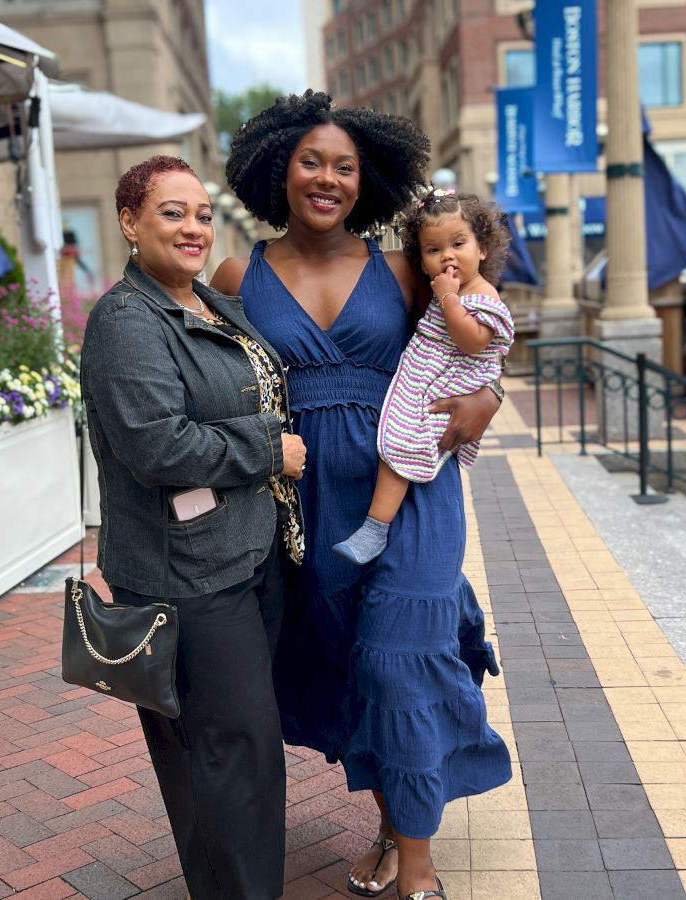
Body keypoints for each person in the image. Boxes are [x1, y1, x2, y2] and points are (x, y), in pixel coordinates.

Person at [212, 91, 511, 900]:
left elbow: (475, 354)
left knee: (398, 659)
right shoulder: (238, 273)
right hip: (307, 505)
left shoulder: (405, 269)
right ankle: (394, 820)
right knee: (354, 667)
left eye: (346, 166)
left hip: (410, 488)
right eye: (312, 160)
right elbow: (216, 383)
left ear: (368, 178)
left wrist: (486, 406)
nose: (328, 178)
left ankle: (418, 868)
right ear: (278, 168)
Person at [80, 154, 306, 900]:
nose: (194, 227)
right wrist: (270, 447)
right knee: (230, 756)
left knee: (233, 750)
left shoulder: (210, 302)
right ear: (129, 223)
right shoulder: (125, 320)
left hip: (247, 554)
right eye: (172, 213)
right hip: (187, 575)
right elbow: (157, 446)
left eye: (202, 213)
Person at [333, 189, 515, 565]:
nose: (447, 256)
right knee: (396, 444)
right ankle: (376, 527)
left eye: (458, 244)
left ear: (482, 249)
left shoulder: (484, 297)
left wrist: (448, 299)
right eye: (434, 250)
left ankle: (375, 529)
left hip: (448, 388)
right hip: (426, 379)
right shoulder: (441, 291)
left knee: (402, 445)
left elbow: (471, 344)